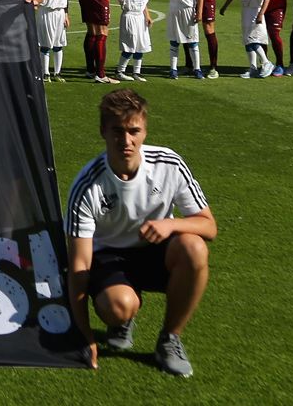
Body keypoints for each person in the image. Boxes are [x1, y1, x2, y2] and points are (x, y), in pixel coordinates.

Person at [67, 89, 215, 378]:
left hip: (156, 251)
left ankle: (169, 340)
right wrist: (84, 336)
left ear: (145, 131)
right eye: (117, 131)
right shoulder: (87, 186)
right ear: (103, 131)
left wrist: (171, 224)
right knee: (119, 307)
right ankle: (122, 318)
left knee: (195, 248)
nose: (126, 140)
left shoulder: (169, 164)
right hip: (108, 257)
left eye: (134, 131)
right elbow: (79, 267)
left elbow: (208, 225)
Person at [221, 0, 275, 78]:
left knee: (253, 39)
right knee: (247, 40)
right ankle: (253, 68)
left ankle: (267, 62)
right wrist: (225, 6)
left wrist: (261, 14)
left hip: (255, 12)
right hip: (245, 12)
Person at [114, 0, 151, 82]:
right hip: (129, 16)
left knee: (141, 45)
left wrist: (148, 16)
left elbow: (144, 1)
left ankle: (137, 72)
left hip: (140, 17)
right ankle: (120, 70)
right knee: (129, 45)